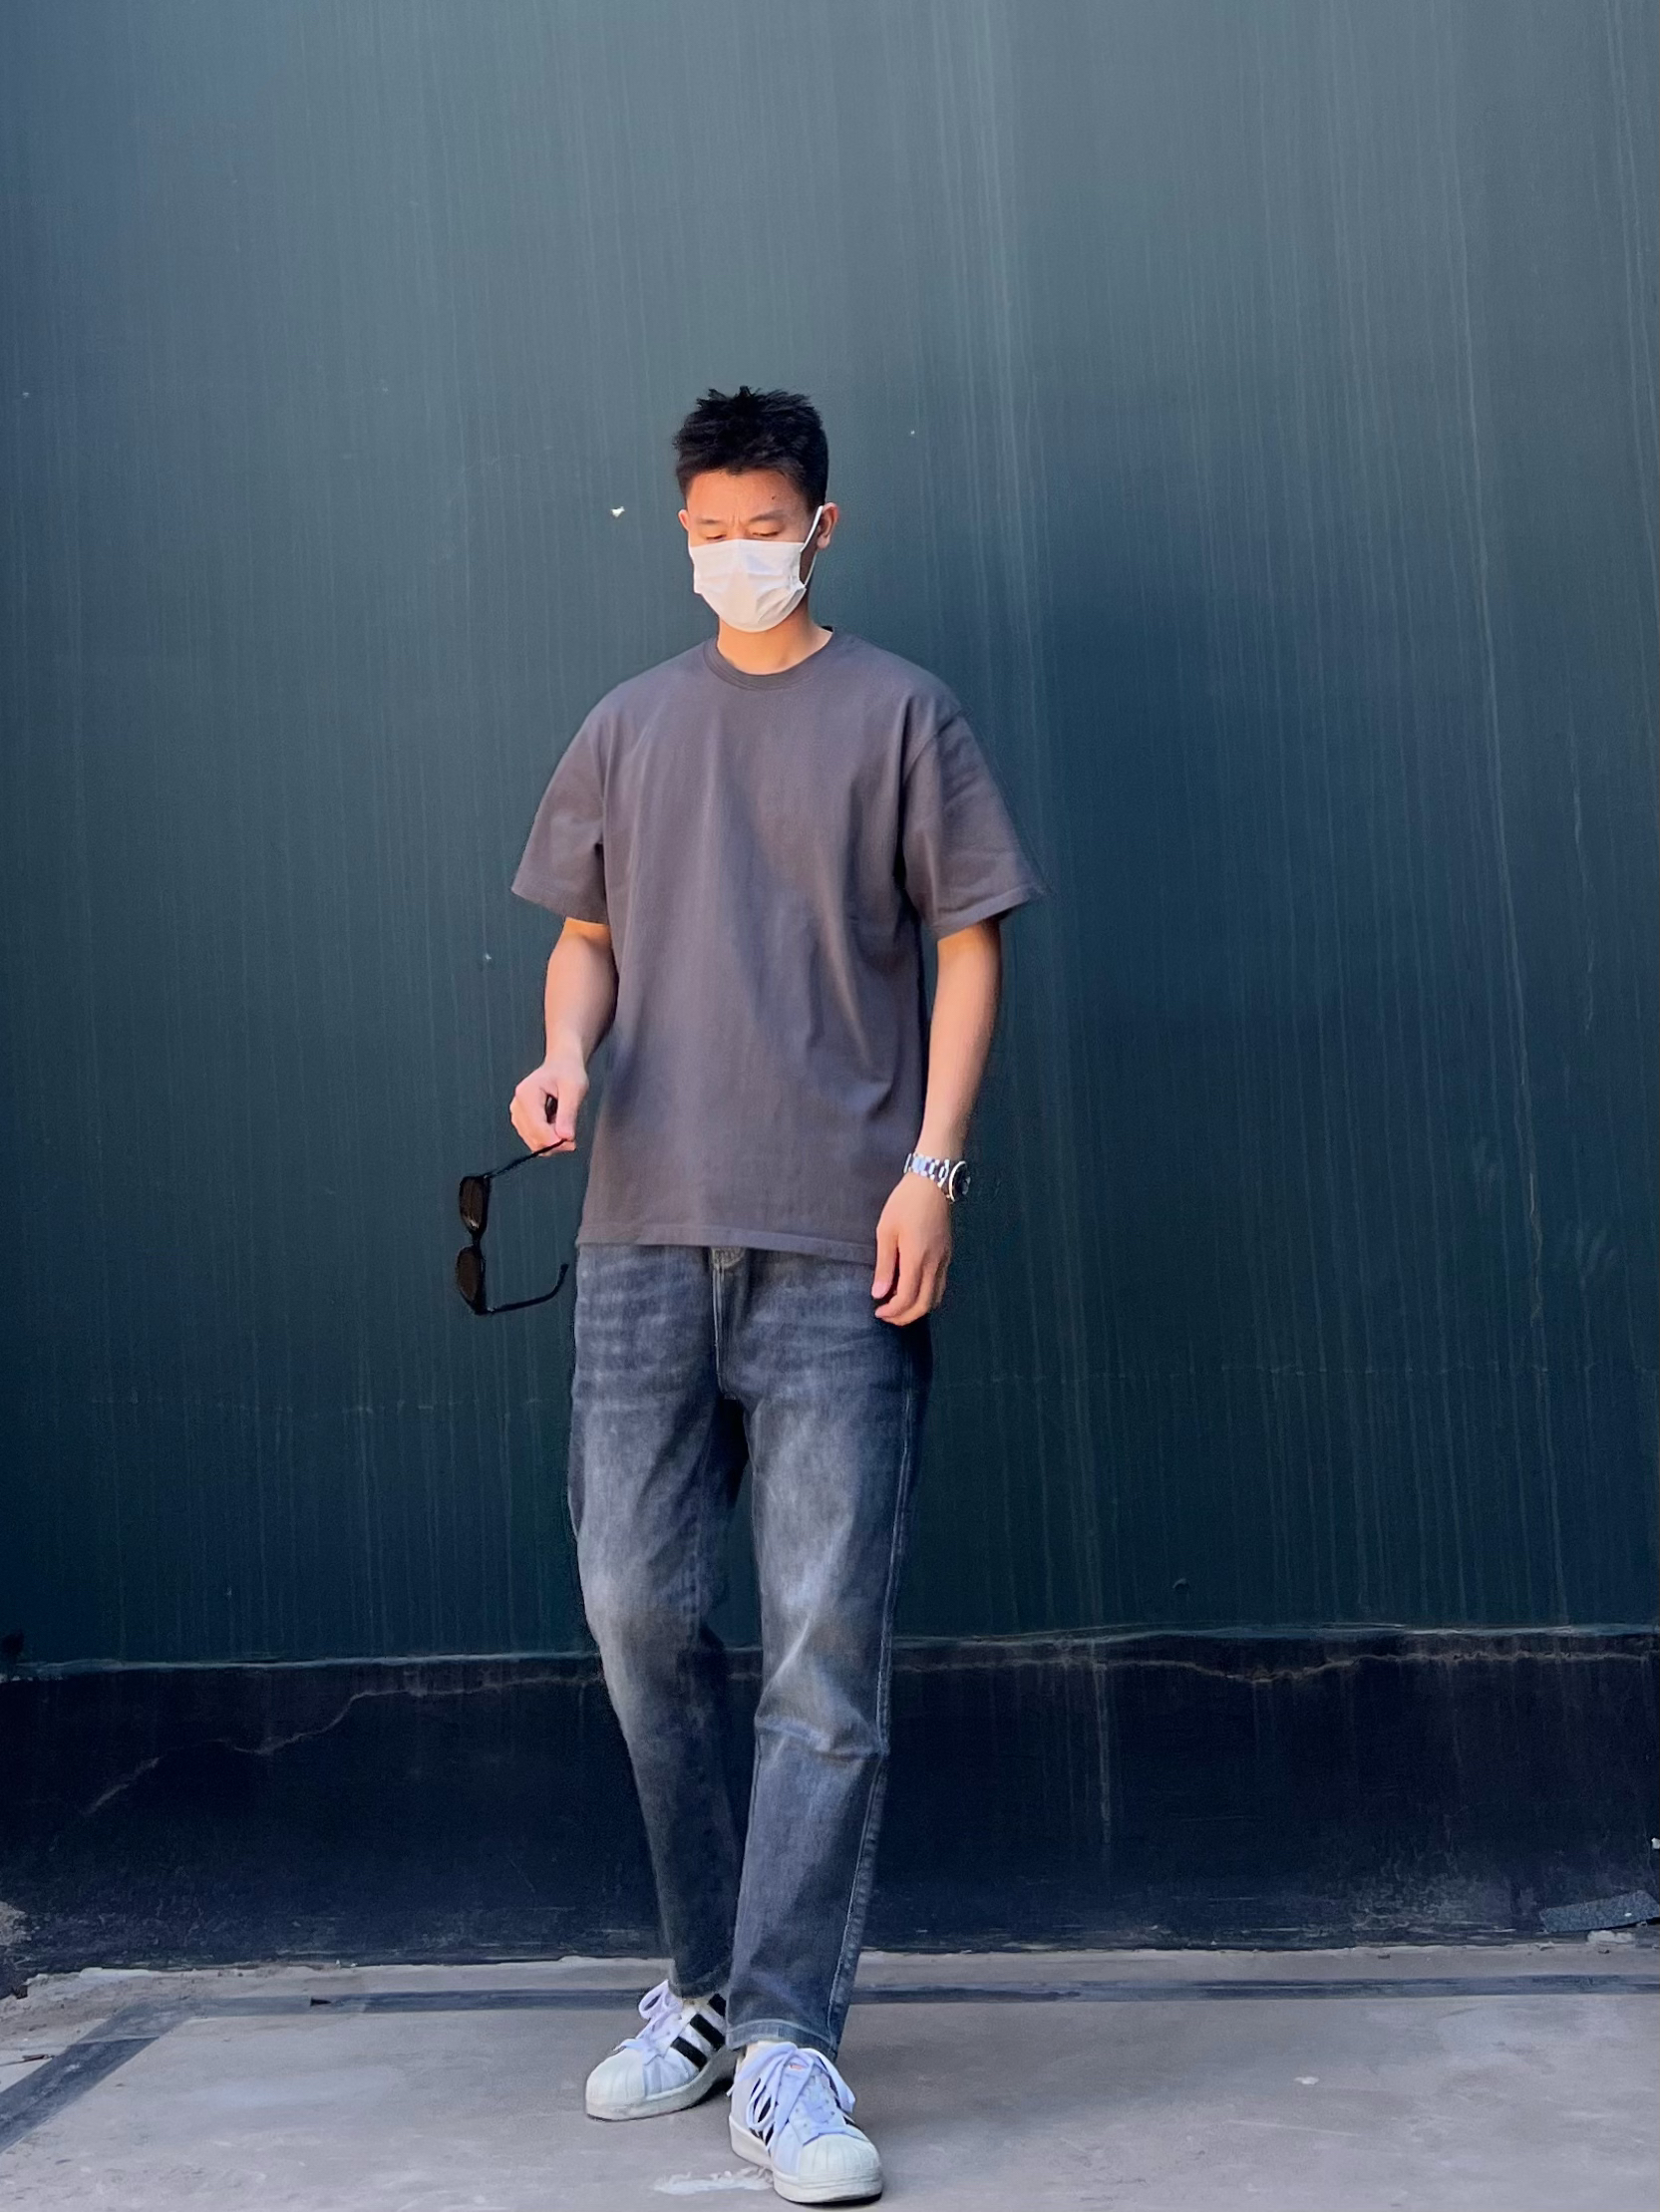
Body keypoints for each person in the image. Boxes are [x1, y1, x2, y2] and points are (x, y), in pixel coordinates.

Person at [508, 385, 1044, 2205]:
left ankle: (792, 2039)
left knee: (821, 1649)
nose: (735, 554)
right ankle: (707, 1990)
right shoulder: (627, 724)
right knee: (634, 1613)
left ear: (821, 526)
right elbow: (583, 939)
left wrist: (932, 1170)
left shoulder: (900, 715)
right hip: (641, 1236)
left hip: (839, 1239)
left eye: (763, 527)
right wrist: (563, 1060)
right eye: (708, 530)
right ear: (679, 531)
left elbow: (966, 948)